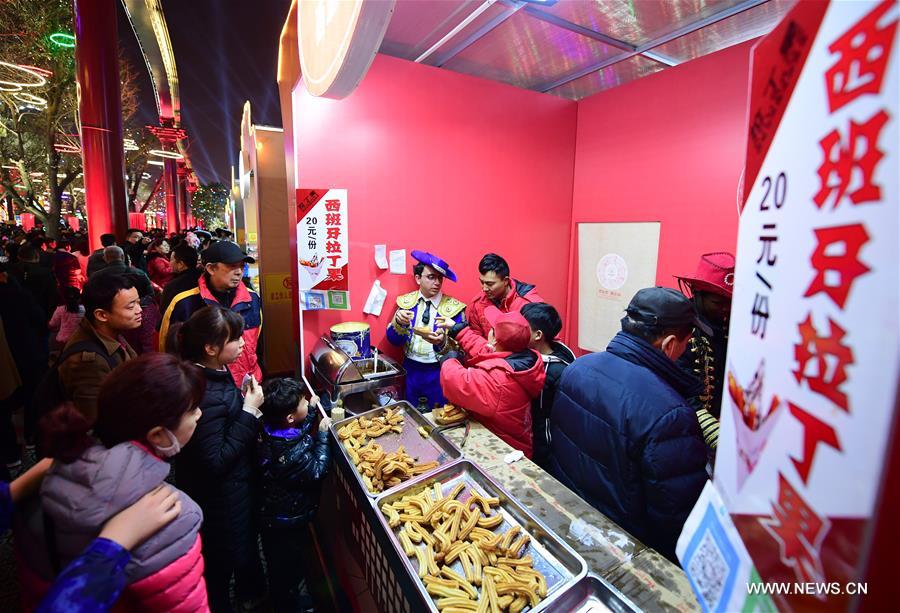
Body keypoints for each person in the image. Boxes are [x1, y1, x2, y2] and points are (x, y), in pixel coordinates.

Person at [15, 353, 209, 611]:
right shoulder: (173, 516)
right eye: (192, 409)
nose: (199, 414)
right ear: (158, 435)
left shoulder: (47, 481)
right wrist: (112, 543)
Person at [549, 287, 709, 562]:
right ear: (670, 344)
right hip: (624, 551)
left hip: (570, 522)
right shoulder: (670, 414)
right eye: (686, 343)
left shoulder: (577, 368)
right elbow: (677, 519)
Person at [170, 306, 266, 612]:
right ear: (210, 348)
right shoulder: (203, 392)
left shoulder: (213, 373)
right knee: (220, 565)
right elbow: (215, 460)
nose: (242, 343)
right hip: (222, 499)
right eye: (234, 339)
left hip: (233, 490)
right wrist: (249, 411)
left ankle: (249, 594)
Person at [257, 378, 332, 612]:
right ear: (290, 417)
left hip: (274, 514)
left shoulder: (273, 431)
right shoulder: (290, 454)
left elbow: (296, 433)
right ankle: (288, 604)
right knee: (287, 567)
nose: (306, 403)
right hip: (287, 520)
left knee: (281, 562)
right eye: (302, 402)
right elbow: (317, 470)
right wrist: (323, 437)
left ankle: (285, 596)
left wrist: (310, 413)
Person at [439, 307, 546, 457]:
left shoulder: (498, 379)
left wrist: (449, 361)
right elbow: (485, 349)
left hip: (505, 452)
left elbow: (457, 382)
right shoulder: (522, 357)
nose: (489, 330)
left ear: (494, 340)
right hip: (515, 441)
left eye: (492, 329)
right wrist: (459, 330)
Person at [160, 241, 262, 386]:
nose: (239, 271)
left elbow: (258, 343)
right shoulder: (184, 303)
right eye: (232, 266)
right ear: (211, 268)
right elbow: (169, 349)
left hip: (247, 384)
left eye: (241, 266)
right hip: (202, 387)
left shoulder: (252, 299)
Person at [385, 250, 466, 408]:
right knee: (409, 414)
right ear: (418, 278)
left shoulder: (454, 309)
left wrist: (443, 342)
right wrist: (399, 323)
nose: (437, 283)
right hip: (410, 370)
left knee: (437, 416)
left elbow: (461, 352)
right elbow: (393, 341)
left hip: (438, 372)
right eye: (431, 277)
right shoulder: (406, 303)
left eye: (440, 278)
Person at [58, 273, 140, 424]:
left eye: (138, 303)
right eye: (131, 306)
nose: (139, 310)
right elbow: (94, 421)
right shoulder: (89, 362)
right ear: (102, 315)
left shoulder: (111, 334)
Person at [675, 252, 735, 453]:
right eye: (718, 302)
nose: (726, 308)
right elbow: (680, 390)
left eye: (730, 301)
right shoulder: (680, 328)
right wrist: (717, 435)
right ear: (698, 293)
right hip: (687, 426)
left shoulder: (730, 326)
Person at [0, 262, 49, 462]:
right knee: (32, 396)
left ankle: (12, 456)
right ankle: (31, 439)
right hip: (26, 352)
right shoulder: (17, 294)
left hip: (9, 357)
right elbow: (39, 320)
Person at [519, 303, 575, 470]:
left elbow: (544, 416)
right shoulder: (531, 354)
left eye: (523, 328)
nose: (517, 330)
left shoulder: (554, 371)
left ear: (538, 335)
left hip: (544, 442)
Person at [466, 253, 544, 339]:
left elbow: (544, 341)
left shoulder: (530, 304)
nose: (484, 288)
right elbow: (475, 339)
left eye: (490, 284)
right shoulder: (478, 304)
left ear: (505, 281)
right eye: (482, 282)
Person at [9, 243, 58, 321]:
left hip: (15, 312)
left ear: (19, 256)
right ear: (37, 256)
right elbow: (51, 296)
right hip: (40, 311)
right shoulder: (46, 272)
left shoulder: (10, 270)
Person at [160, 242, 201, 316]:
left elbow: (166, 314)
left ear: (181, 264)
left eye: (171, 260)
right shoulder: (204, 278)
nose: (169, 263)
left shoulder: (172, 287)